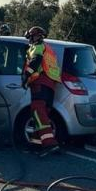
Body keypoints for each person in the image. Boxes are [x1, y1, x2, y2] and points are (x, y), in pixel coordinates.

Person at [22, 26, 61, 154]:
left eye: (30, 37)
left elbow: (35, 60)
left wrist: (26, 75)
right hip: (51, 83)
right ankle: (38, 143)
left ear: (35, 36)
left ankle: (50, 144)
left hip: (41, 81)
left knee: (38, 111)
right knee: (42, 113)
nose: (30, 40)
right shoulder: (49, 48)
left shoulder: (37, 47)